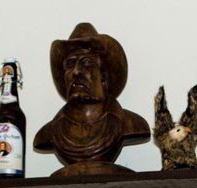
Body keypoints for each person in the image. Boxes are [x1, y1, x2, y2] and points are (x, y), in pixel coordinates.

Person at [34, 23, 149, 175]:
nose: (76, 72)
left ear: (103, 76)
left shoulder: (131, 125)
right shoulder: (48, 134)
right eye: (70, 64)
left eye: (86, 63)